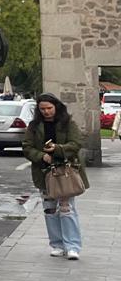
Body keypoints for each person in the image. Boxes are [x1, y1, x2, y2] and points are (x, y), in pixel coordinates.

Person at [22, 93, 86, 260]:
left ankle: (72, 246)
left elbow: (76, 143)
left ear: (56, 107)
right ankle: (56, 244)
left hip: (65, 172)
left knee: (67, 209)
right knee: (50, 210)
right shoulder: (34, 125)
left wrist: (57, 149)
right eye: (42, 109)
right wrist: (41, 156)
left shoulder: (68, 123)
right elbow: (27, 147)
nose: (46, 112)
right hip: (44, 173)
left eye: (49, 108)